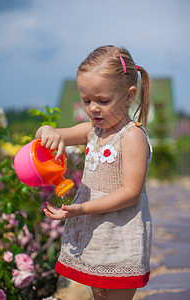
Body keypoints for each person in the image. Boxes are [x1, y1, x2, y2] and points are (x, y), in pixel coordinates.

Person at [35, 45, 152, 300]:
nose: (93, 109)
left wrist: (81, 209)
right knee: (99, 296)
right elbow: (49, 135)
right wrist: (47, 130)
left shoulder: (131, 137)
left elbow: (131, 193)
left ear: (129, 96)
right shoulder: (92, 131)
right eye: (86, 100)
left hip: (120, 235)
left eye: (103, 100)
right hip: (95, 236)